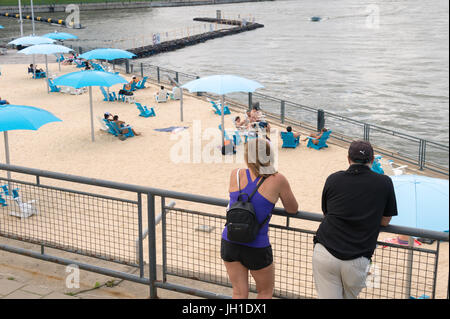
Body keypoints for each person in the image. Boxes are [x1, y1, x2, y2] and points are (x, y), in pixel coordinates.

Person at [312, 140, 398, 299]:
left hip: (325, 249)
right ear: (372, 160)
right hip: (358, 256)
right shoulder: (384, 182)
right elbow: (386, 221)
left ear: (348, 159)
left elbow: (327, 213)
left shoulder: (333, 179)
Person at [221, 138, 299, 299]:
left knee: (238, 292)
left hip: (230, 239)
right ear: (269, 156)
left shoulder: (235, 174)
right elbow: (293, 209)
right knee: (264, 292)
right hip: (256, 244)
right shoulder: (278, 179)